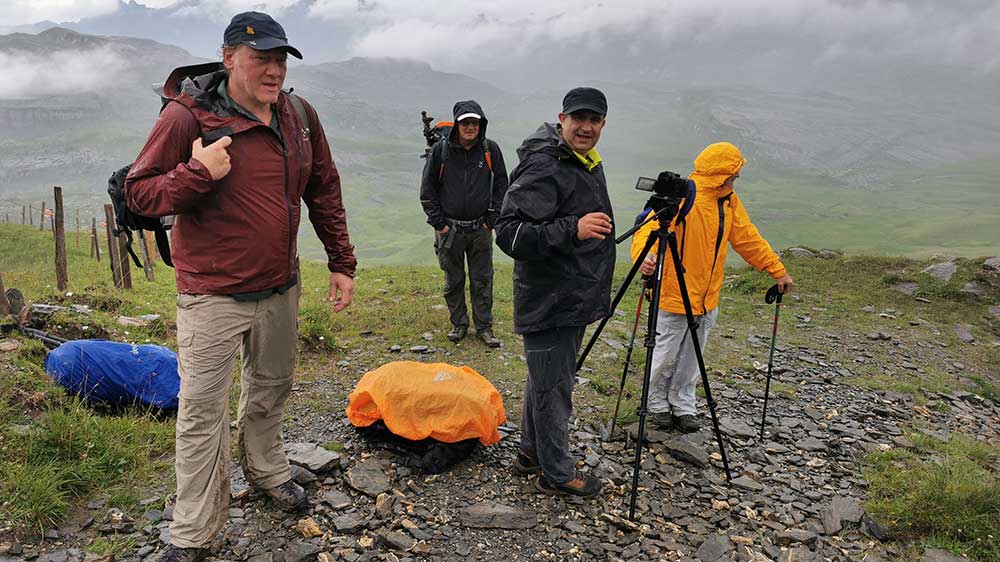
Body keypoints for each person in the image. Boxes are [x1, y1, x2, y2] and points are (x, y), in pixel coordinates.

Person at [126, 11, 356, 562]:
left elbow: (323, 187)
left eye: (280, 59)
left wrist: (341, 261)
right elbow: (139, 194)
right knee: (203, 413)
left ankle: (267, 470)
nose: (273, 70)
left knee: (272, 388)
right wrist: (197, 173)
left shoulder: (300, 115)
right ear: (229, 58)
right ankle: (194, 532)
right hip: (212, 293)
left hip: (280, 286)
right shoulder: (187, 116)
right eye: (261, 59)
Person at [495, 87, 614, 497]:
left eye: (594, 120)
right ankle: (557, 474)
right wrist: (573, 228)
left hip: (570, 295)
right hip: (551, 298)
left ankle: (531, 453)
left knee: (545, 380)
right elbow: (509, 233)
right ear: (561, 118)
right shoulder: (545, 164)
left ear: (603, 123)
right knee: (553, 389)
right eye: (578, 118)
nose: (586, 127)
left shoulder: (580, 160)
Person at [632, 142, 793, 434]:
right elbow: (650, 227)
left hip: (708, 297)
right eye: (734, 172)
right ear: (721, 173)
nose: (737, 178)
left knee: (693, 355)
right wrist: (644, 256)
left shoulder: (729, 200)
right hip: (673, 291)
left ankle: (682, 403)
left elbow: (747, 238)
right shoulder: (686, 195)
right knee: (665, 352)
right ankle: (655, 402)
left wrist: (776, 270)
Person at [420, 100, 509, 347]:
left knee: (483, 279)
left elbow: (503, 185)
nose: (470, 127)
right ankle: (459, 324)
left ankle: (484, 328)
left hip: (480, 229)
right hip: (450, 230)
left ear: (481, 125)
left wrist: (491, 220)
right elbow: (428, 190)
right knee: (454, 279)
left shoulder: (491, 150)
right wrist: (440, 224)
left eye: (475, 123)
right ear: (457, 125)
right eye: (465, 122)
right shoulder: (441, 151)